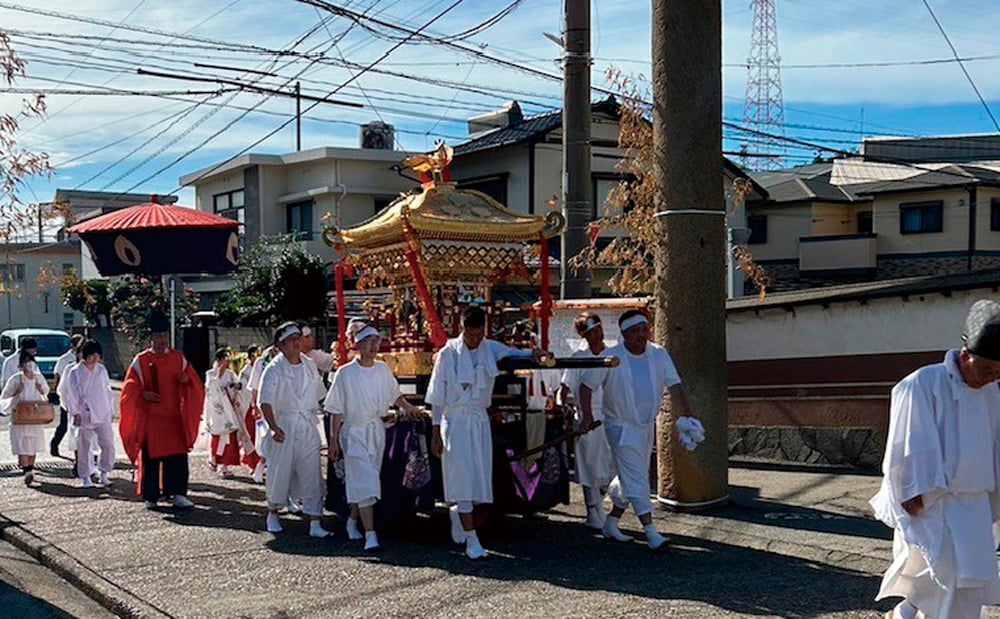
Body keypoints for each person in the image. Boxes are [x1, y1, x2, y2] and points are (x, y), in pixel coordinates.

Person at [871, 299, 1000, 619]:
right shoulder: (922, 384)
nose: (991, 377)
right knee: (934, 573)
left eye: (999, 371)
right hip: (933, 501)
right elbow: (909, 442)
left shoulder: (994, 392)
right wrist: (911, 490)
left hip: (974, 504)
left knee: (969, 579)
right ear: (966, 355)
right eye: (986, 369)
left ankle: (907, 613)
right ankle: (907, 612)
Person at [426, 306, 541, 559]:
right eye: (470, 335)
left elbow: (516, 353)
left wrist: (535, 353)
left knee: (477, 480)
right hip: (455, 422)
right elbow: (436, 398)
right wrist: (436, 432)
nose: (474, 340)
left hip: (479, 422)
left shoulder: (491, 348)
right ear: (462, 329)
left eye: (479, 335)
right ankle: (472, 539)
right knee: (462, 478)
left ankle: (459, 515)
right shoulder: (447, 354)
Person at [579, 309, 694, 550]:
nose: (641, 336)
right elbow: (587, 385)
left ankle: (611, 522)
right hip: (619, 426)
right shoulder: (612, 357)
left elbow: (675, 385)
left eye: (644, 330)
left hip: (645, 426)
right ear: (624, 335)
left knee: (631, 475)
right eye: (635, 332)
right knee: (637, 477)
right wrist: (587, 415)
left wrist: (687, 413)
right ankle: (651, 531)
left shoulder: (659, 354)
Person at [324, 319, 418, 551]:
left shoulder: (383, 369)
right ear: (357, 344)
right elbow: (335, 409)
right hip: (354, 432)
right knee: (364, 481)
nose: (373, 346)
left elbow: (394, 395)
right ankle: (371, 535)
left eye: (376, 341)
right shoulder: (345, 374)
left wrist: (408, 407)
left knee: (367, 482)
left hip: (375, 431)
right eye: (368, 341)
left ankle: (353, 520)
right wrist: (333, 440)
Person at [119, 311, 204, 509]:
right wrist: (142, 393)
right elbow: (128, 388)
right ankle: (151, 496)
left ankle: (177, 494)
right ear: (151, 337)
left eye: (165, 335)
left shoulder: (178, 358)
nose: (162, 339)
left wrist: (187, 381)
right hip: (152, 420)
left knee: (177, 457)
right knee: (151, 459)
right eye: (158, 336)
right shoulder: (140, 360)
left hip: (173, 418)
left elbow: (195, 383)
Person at [258, 322, 331, 538]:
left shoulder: (309, 365)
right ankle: (272, 512)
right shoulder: (274, 369)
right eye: (291, 339)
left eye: (298, 337)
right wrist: (273, 427)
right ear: (281, 345)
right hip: (284, 424)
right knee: (280, 470)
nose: (297, 342)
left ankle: (315, 520)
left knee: (312, 472)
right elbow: (265, 401)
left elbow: (321, 395)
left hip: (307, 424)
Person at [560, 312, 615, 531]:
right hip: (586, 418)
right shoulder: (578, 357)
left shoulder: (612, 355)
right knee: (589, 466)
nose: (596, 334)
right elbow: (564, 388)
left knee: (610, 465)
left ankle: (600, 505)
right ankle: (592, 511)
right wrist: (562, 409)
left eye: (598, 329)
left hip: (610, 416)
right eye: (590, 331)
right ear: (584, 335)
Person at [62, 340, 115, 489]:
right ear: (85, 355)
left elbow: (108, 391)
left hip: (102, 410)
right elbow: (71, 394)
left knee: (108, 444)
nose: (95, 359)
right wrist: (75, 412)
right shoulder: (75, 372)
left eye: (97, 356)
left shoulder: (101, 370)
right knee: (84, 446)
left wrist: (111, 410)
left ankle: (104, 472)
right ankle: (85, 475)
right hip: (84, 412)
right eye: (92, 356)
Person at [1, 350, 50, 485]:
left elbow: (45, 393)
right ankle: (27, 471)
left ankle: (29, 469)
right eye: (26, 363)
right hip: (20, 417)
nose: (29, 365)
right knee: (22, 443)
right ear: (21, 365)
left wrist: (41, 390)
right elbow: (4, 396)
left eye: (31, 362)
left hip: (34, 416)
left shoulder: (39, 377)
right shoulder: (16, 378)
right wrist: (17, 393)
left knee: (33, 444)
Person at [203, 348, 244, 479]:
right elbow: (210, 389)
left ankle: (225, 465)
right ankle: (213, 459)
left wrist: (234, 388)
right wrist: (219, 377)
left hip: (229, 409)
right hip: (218, 410)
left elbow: (238, 385)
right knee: (217, 435)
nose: (228, 362)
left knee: (230, 438)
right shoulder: (210, 373)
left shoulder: (231, 373)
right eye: (226, 359)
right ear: (219, 360)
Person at [50, 333, 84, 458]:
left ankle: (81, 456)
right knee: (64, 425)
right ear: (73, 346)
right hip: (68, 398)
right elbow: (58, 376)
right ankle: (54, 444)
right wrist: (58, 394)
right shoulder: (64, 359)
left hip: (80, 403)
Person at [238, 345, 262, 475]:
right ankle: (253, 464)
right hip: (248, 408)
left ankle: (261, 463)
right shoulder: (246, 371)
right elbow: (241, 390)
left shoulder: (263, 368)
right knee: (251, 436)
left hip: (261, 407)